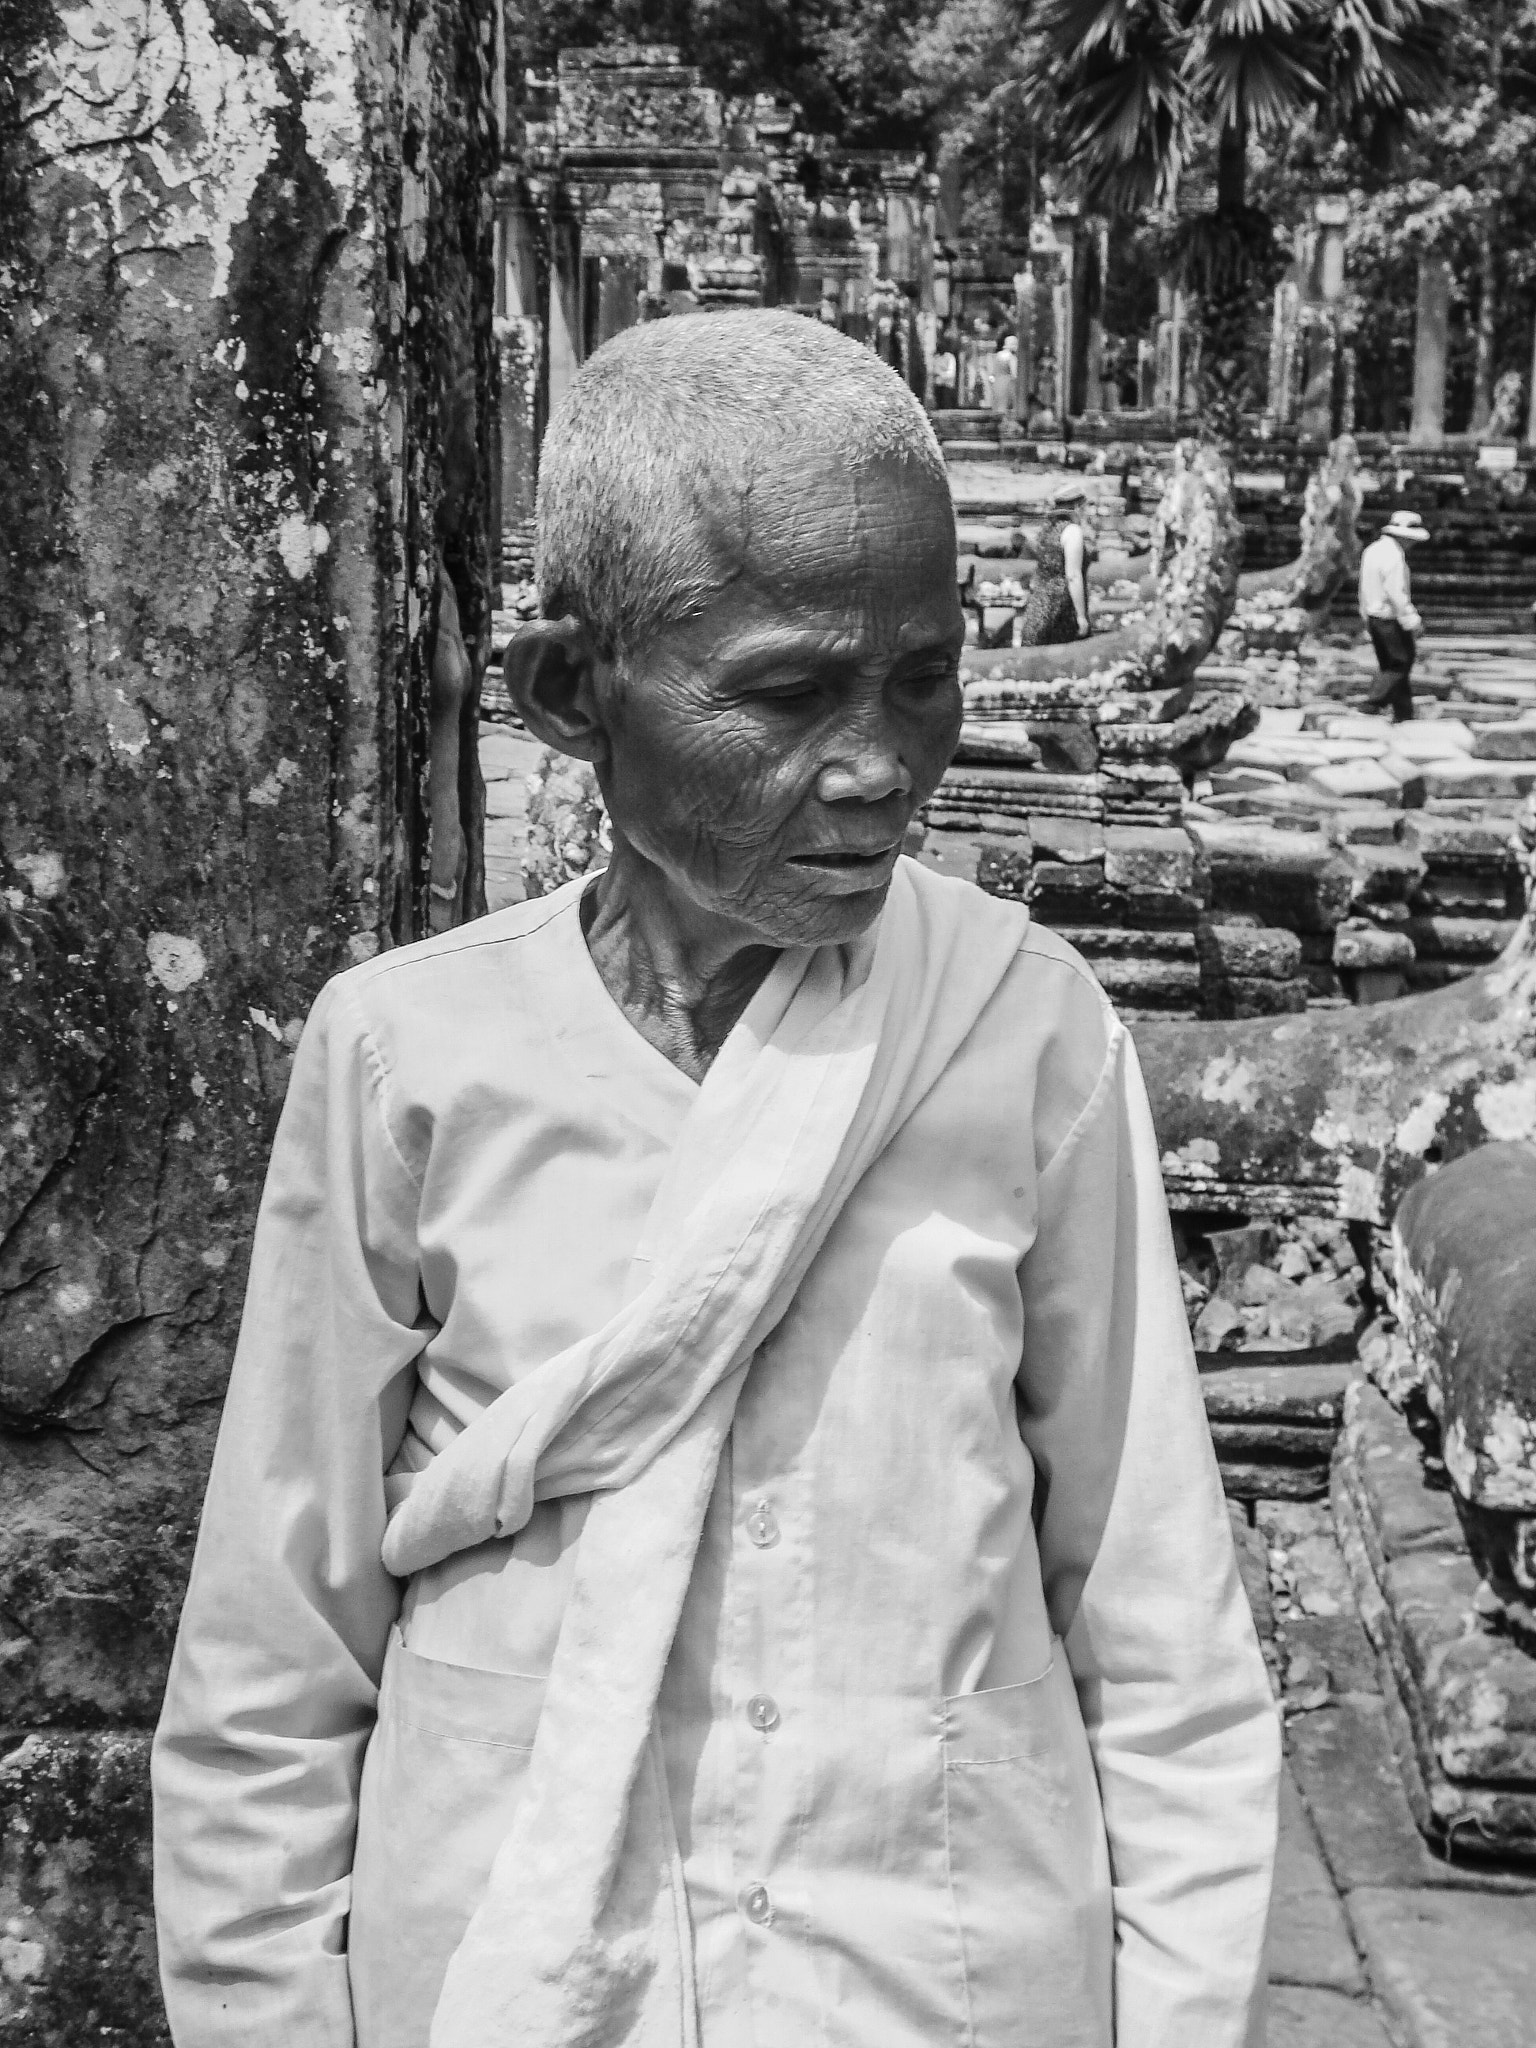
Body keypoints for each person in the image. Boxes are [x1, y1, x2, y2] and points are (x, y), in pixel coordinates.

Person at [151, 311, 1278, 2048]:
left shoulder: (1023, 1029)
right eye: (785, 691)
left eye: (923, 674)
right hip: (514, 1961)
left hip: (939, 1963)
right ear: (565, 699)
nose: (883, 764)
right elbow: (268, 1669)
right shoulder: (406, 1059)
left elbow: (1162, 1640)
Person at [1358, 508, 1429, 721]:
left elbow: (1364, 588)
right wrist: (1412, 620)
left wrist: (1365, 616)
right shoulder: (1394, 557)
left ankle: (1403, 711)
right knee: (1399, 663)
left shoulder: (1372, 550)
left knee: (1394, 664)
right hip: (1389, 618)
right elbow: (1396, 592)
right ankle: (1372, 702)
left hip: (1374, 615)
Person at [1018, 479, 1096, 645]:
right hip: (1060, 606)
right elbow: (1073, 575)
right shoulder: (1072, 531)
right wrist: (1081, 615)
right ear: (1077, 507)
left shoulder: (1048, 530)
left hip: (1039, 604)